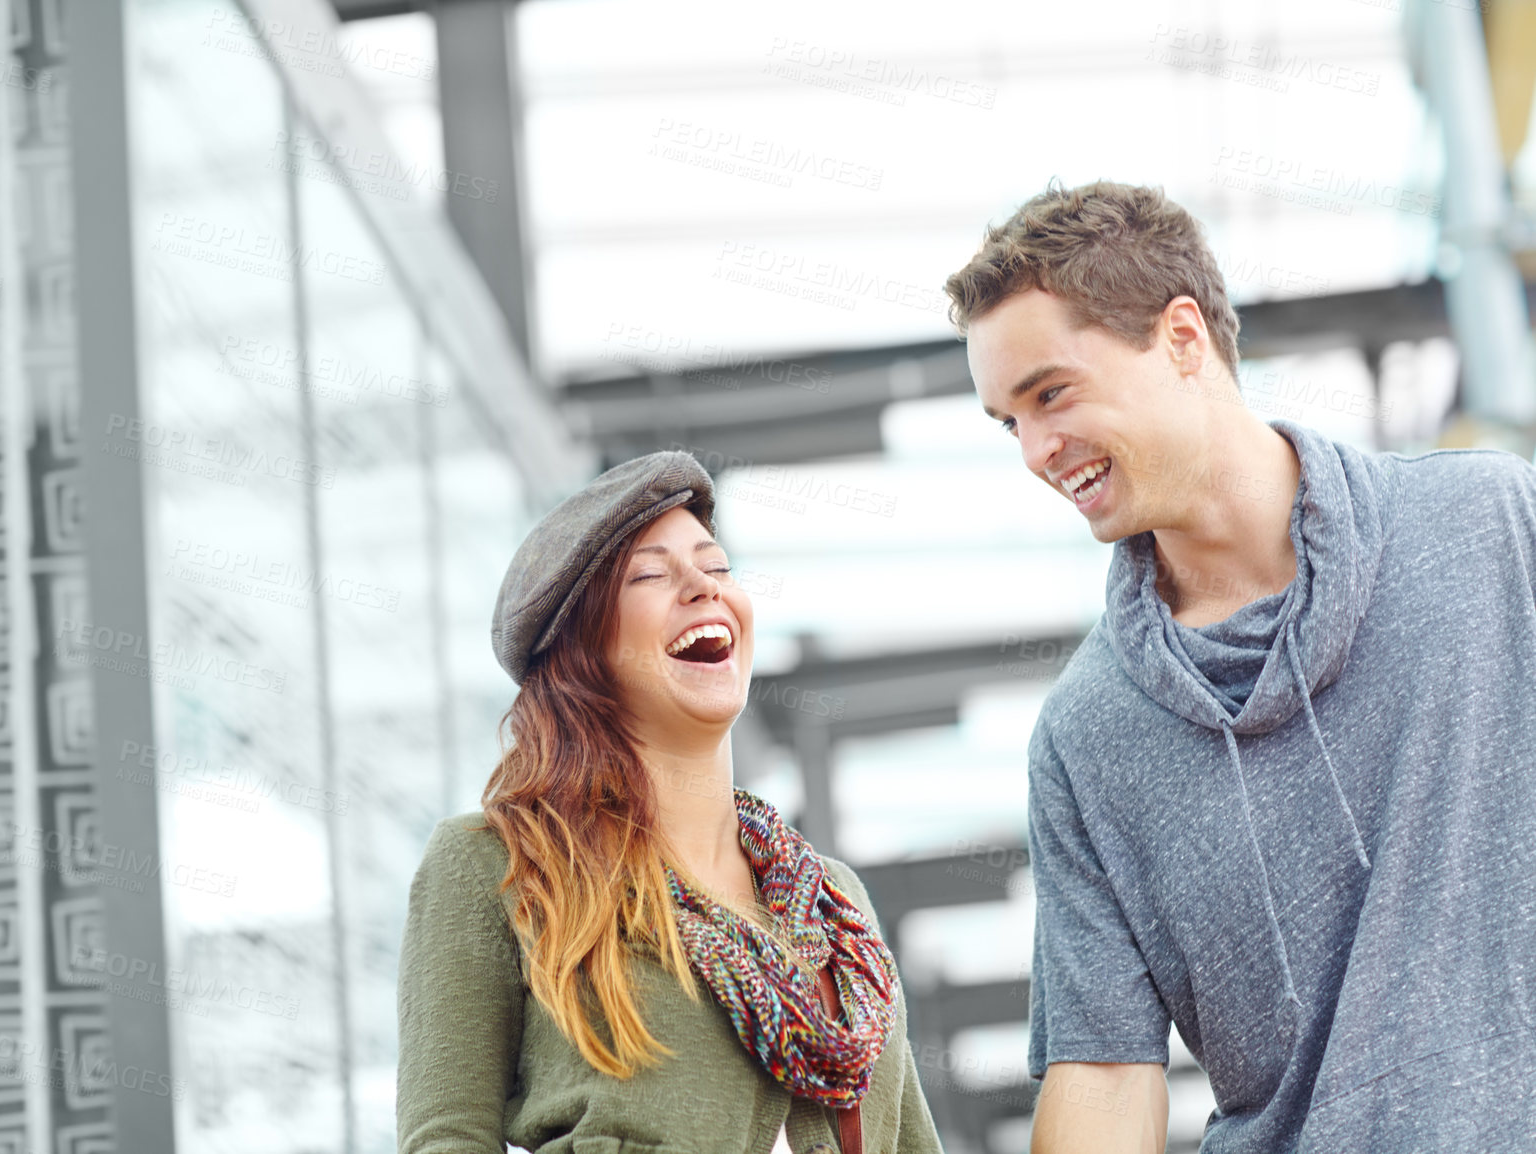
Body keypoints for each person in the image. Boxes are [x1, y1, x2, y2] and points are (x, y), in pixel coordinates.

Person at [944, 179, 1536, 1153]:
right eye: (1008, 420)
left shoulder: (1490, 527)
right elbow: (1102, 1077)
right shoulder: (1088, 738)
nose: (1037, 450)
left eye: (1049, 393)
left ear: (1182, 339)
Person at [395, 451, 942, 1154]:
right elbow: (446, 1139)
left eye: (716, 568)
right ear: (581, 655)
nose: (702, 588)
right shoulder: (496, 866)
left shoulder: (835, 903)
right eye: (651, 575)